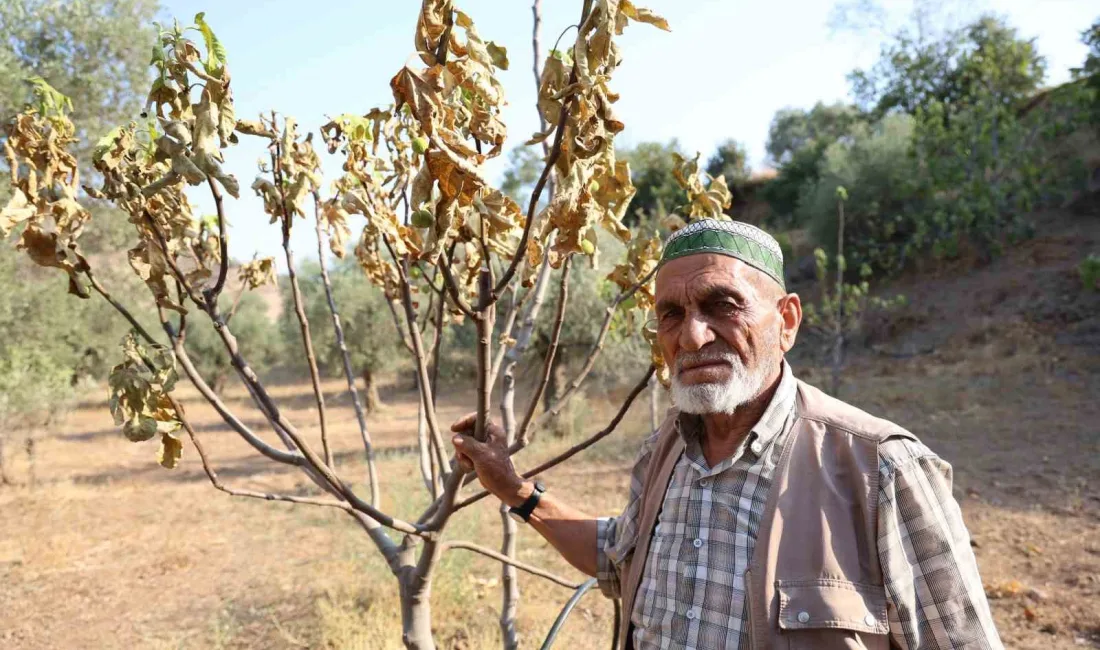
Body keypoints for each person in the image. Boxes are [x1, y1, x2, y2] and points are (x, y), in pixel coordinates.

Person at [451, 219, 1002, 649]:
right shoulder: (663, 451)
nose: (691, 336)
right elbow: (622, 562)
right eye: (671, 314)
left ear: (786, 321)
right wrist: (513, 488)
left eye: (723, 305)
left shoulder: (881, 468)